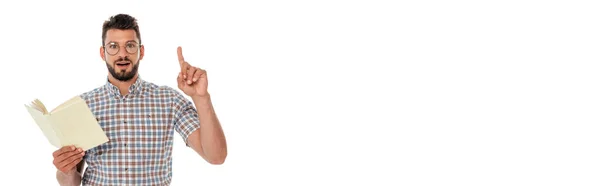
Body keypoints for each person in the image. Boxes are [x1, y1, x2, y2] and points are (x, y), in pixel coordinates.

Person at [50, 13, 228, 186]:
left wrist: (201, 97)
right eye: (113, 46)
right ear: (102, 53)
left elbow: (216, 157)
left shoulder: (169, 100)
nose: (122, 54)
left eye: (130, 45)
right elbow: (72, 182)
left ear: (141, 51)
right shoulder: (82, 106)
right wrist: (65, 170)